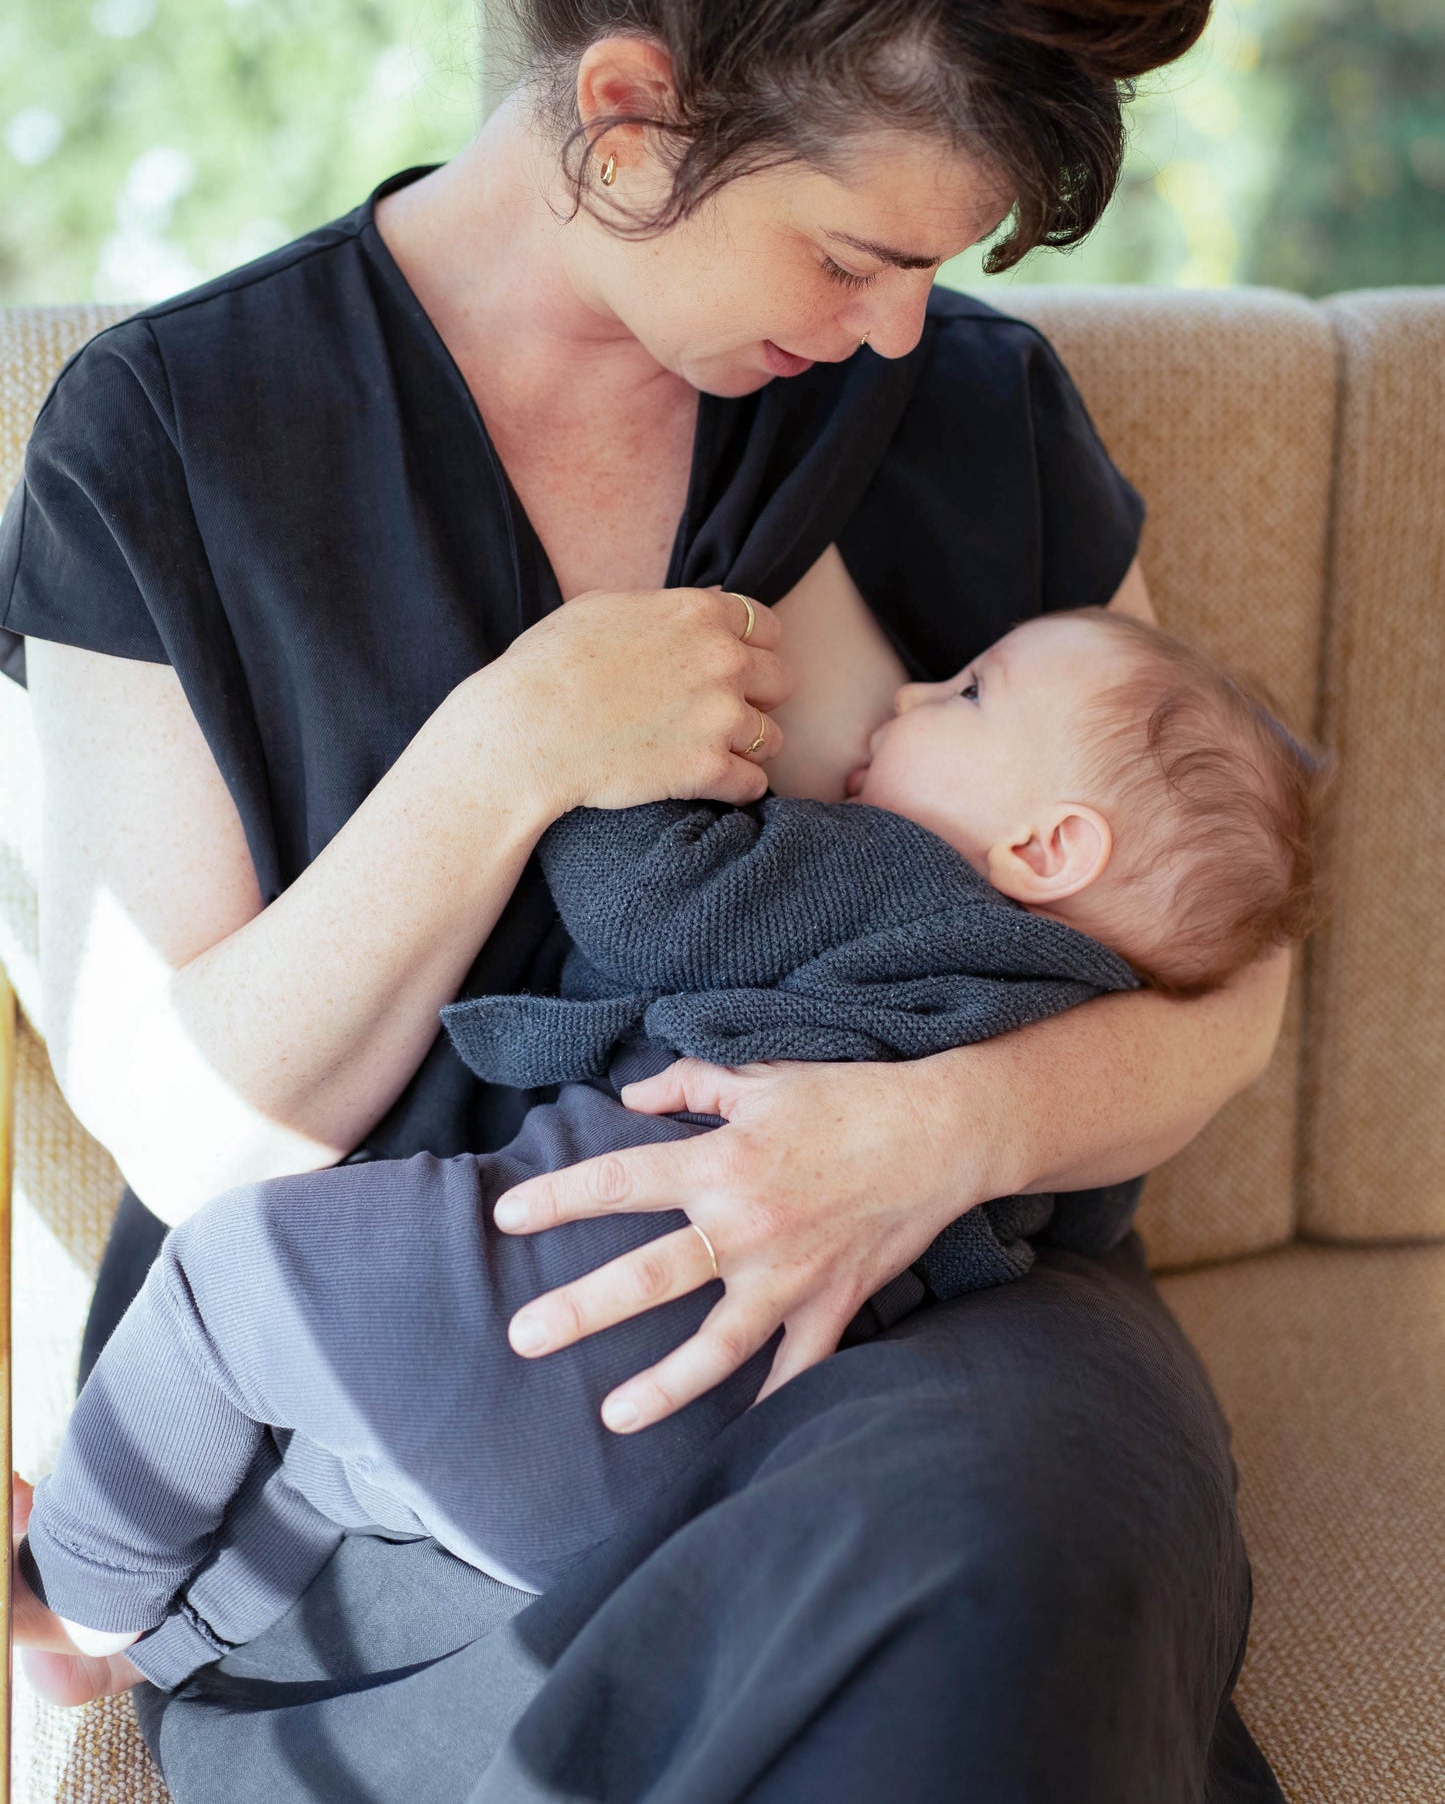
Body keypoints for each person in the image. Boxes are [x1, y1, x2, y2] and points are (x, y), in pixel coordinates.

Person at [0, 0, 1297, 1795]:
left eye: (936, 272)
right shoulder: (176, 445)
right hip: (431, 1429)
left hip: (942, 1368)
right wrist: (509, 749)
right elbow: (194, 1133)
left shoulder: (967, 414)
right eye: (853, 254)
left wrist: (925, 1140)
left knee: (997, 1562)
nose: (897, 327)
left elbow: (1218, 986)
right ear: (631, 110)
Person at [11, 607, 1329, 1709]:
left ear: (1046, 847)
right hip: (661, 1469)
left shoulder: (890, 880)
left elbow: (651, 907)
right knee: (344, 1471)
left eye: (969, 694)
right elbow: (1076, 1219)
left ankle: (72, 1586)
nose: (914, 687)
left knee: (227, 1284)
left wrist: (612, 767)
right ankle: (149, 1650)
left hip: (564, 1296)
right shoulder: (1081, 1038)